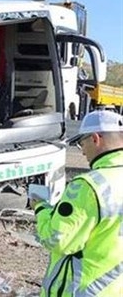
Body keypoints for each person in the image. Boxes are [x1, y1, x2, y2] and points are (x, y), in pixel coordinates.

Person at [35, 110, 123, 297]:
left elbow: (57, 240)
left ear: (95, 138)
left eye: (81, 142)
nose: (82, 151)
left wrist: (41, 208)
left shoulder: (88, 186)